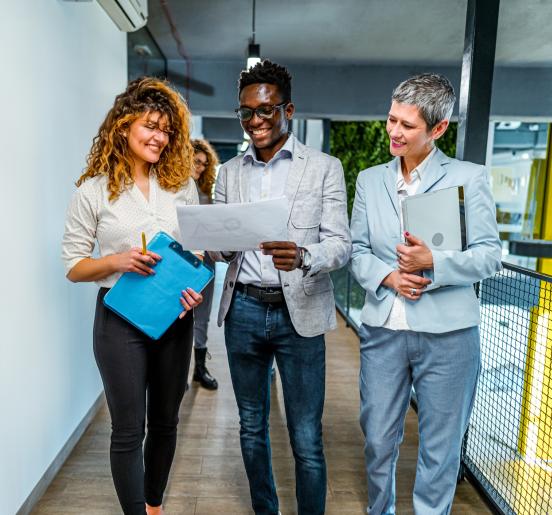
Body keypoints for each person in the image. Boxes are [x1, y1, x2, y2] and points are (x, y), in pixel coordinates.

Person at [350, 73, 502, 514]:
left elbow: (489, 256)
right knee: (378, 437)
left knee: (441, 444)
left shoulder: (469, 179)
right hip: (383, 331)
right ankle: (380, 510)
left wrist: (433, 263)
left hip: (451, 336)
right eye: (391, 119)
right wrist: (390, 277)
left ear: (437, 130)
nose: (394, 132)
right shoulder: (369, 179)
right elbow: (358, 251)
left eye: (407, 125)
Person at [210, 60, 351, 515]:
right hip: (244, 310)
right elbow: (215, 249)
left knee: (306, 435)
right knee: (251, 426)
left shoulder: (325, 168)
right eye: (246, 113)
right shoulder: (228, 173)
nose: (255, 122)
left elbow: (341, 245)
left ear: (287, 109)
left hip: (301, 311)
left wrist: (305, 257)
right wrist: (221, 247)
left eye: (266, 111)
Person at [62, 77, 203, 515]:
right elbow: (74, 266)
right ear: (123, 126)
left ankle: (154, 506)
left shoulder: (180, 185)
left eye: (167, 130)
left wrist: (194, 289)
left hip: (174, 316)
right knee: (128, 428)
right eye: (151, 126)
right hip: (119, 318)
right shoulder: (93, 190)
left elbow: (196, 250)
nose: (160, 137)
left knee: (165, 422)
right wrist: (118, 261)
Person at [190, 138, 219, 390]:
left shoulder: (207, 192)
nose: (200, 168)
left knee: (202, 313)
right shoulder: (170, 188)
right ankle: (176, 371)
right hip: (180, 259)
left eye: (204, 164)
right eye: (197, 161)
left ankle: (199, 368)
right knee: (176, 314)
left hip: (207, 258)